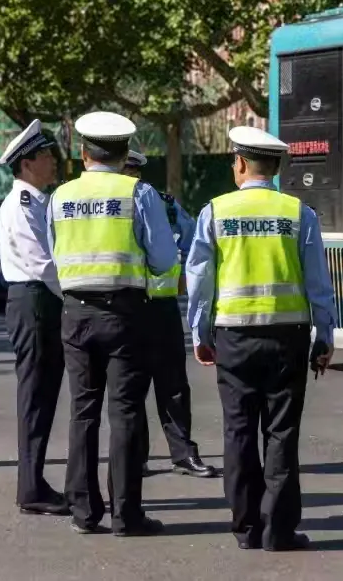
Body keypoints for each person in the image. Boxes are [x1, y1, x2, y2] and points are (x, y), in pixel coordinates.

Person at [185, 126, 337, 552]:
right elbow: (318, 283)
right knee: (282, 434)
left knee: (238, 433)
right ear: (274, 168)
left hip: (233, 337)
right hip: (287, 337)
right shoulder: (297, 213)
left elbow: (200, 281)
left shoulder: (215, 211)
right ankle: (279, 532)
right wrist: (324, 336)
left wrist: (199, 332)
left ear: (239, 163)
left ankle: (245, 529)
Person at [47, 112, 179, 537]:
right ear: (125, 155)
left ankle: (84, 513)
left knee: (82, 412)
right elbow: (163, 259)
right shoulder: (139, 193)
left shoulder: (60, 196)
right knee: (124, 412)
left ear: (83, 153)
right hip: (126, 313)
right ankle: (127, 515)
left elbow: (54, 254)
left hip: (75, 312)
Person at [121, 150, 217, 479]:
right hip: (124, 307)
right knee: (130, 388)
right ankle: (134, 457)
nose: (131, 178)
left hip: (161, 307)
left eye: (135, 172)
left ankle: (183, 455)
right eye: (125, 171)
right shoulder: (107, 207)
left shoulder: (164, 205)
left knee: (174, 385)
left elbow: (194, 243)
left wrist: (182, 276)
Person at [0, 120, 67, 516]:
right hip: (35, 301)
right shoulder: (22, 206)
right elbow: (43, 265)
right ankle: (31, 488)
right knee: (35, 397)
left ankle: (35, 482)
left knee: (43, 396)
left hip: (42, 301)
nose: (53, 162)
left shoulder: (40, 202)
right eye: (45, 156)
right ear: (26, 163)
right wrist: (74, 297)